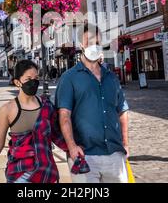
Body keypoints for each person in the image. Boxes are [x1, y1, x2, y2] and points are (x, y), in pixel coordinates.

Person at [55, 23, 130, 183]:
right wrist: (72, 146)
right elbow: (64, 116)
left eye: (97, 43)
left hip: (114, 153)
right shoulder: (69, 78)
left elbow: (122, 111)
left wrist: (125, 143)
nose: (94, 47)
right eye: (89, 42)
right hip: (84, 155)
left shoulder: (111, 78)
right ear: (81, 45)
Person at [0, 60, 68, 183]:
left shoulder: (46, 105)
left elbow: (57, 135)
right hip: (19, 173)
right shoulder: (7, 110)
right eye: (28, 78)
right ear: (17, 82)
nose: (33, 82)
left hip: (46, 172)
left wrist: (74, 148)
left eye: (36, 77)